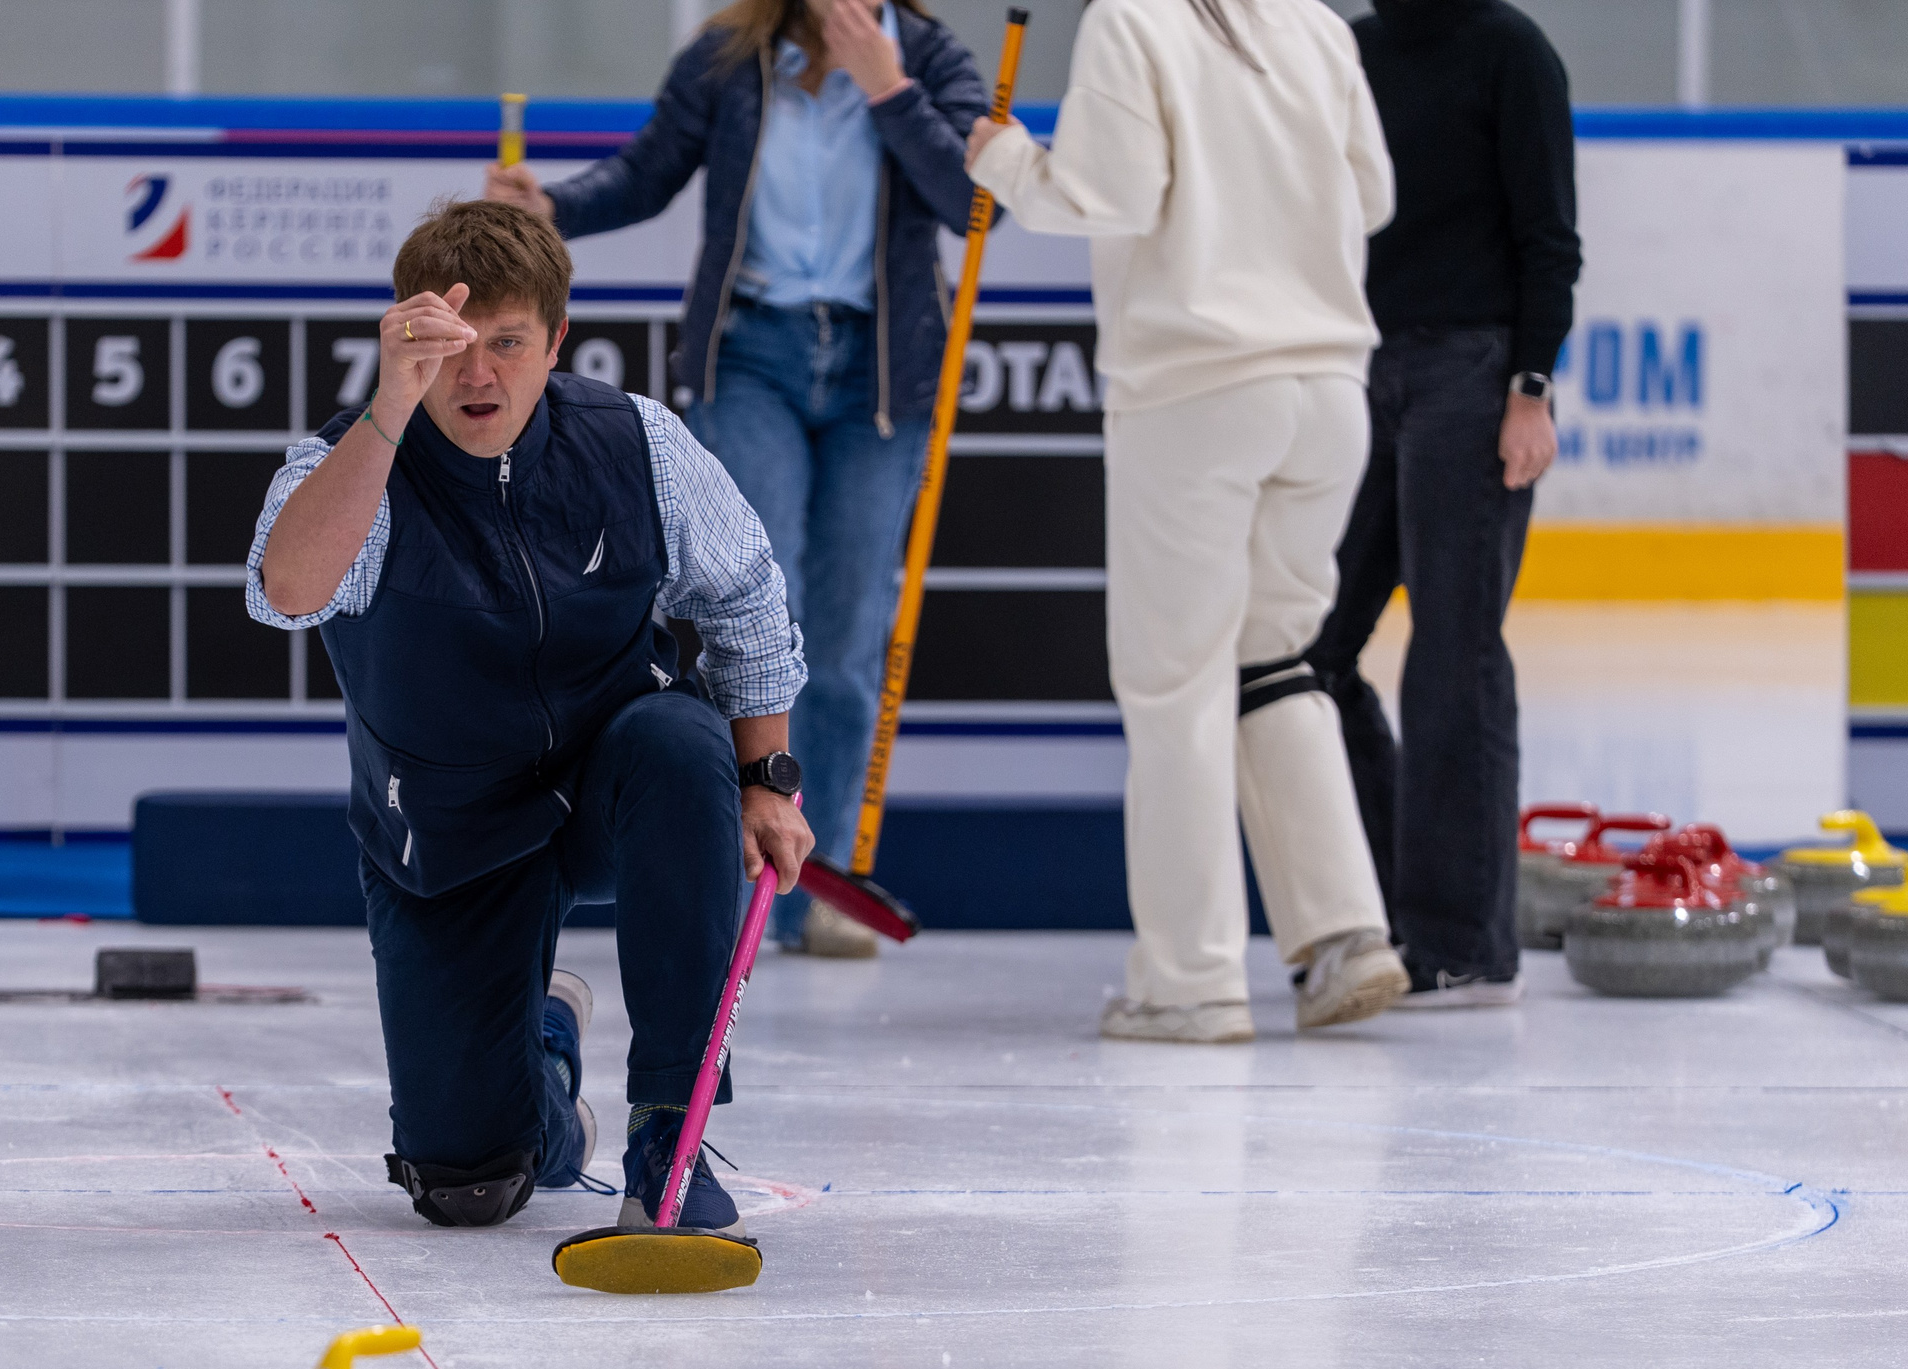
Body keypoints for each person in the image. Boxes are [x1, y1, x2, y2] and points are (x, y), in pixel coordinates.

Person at [248, 198, 813, 1234]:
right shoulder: (349, 459)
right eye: (449, 347)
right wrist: (385, 411)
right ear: (403, 335)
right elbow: (288, 589)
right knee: (467, 1183)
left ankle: (667, 1125)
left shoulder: (635, 442)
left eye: (506, 344)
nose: (476, 376)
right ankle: (546, 1061)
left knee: (681, 740)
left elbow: (744, 599)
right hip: (448, 831)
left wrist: (767, 777)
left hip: (609, 787)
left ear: (554, 341)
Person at [484, 0, 987, 958]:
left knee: (842, 639)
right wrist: (552, 210)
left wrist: (888, 86)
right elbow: (649, 171)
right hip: (751, 350)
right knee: (754, 604)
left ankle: (816, 880)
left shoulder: (924, 53)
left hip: (882, 375)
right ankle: (722, 868)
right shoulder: (729, 50)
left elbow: (974, 201)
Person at [965, 0, 1408, 1042]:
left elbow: (1106, 195)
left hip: (1197, 388)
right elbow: (1375, 196)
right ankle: (1345, 936)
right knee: (1276, 659)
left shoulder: (1130, 20)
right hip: (1328, 386)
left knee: (1176, 688)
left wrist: (1008, 160)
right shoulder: (1317, 26)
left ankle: (1189, 979)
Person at [1301, 0, 1581, 1007]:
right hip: (1354, 367)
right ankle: (1373, 914)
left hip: (1473, 371)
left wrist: (1529, 389)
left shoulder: (1511, 51)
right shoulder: (1347, 46)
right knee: (1311, 654)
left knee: (1453, 652)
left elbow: (1549, 237)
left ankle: (1458, 935)